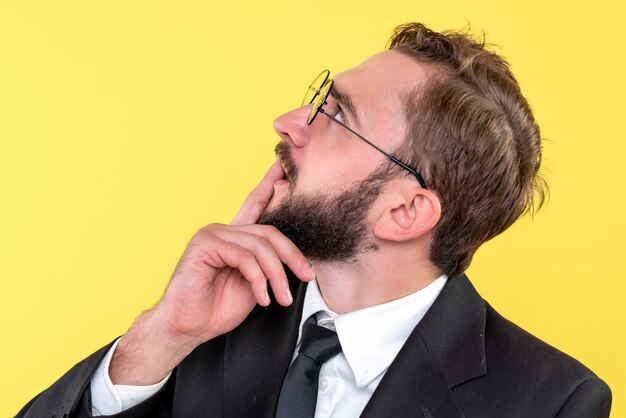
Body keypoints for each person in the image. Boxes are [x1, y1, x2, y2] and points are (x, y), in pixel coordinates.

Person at [18, 22, 611, 418]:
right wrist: (163, 334)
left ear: (404, 210)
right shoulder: (208, 322)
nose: (287, 122)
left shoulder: (553, 401)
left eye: (336, 116)